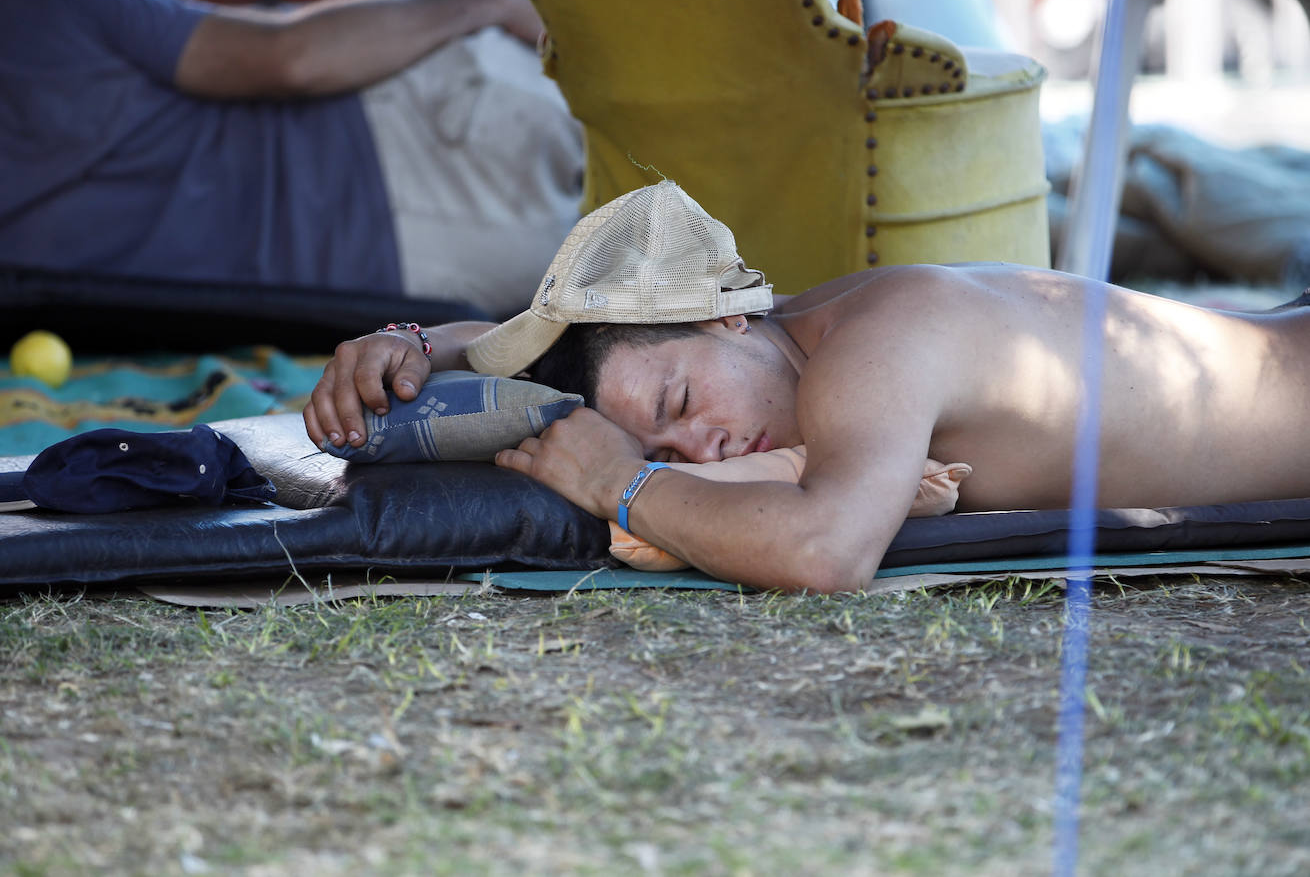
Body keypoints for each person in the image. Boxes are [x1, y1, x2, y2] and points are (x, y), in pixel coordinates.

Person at [304, 181, 1310, 593]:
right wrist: (413, 344)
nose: (701, 451)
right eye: (669, 450)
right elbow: (567, 346)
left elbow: (828, 550)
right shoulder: (777, 329)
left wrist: (626, 480)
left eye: (683, 408)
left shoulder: (872, 354)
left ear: (729, 314)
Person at [0, 0, 582, 317]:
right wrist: (488, 0)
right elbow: (291, 60)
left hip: (426, 273)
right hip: (431, 134)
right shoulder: (40, 1)